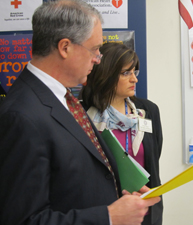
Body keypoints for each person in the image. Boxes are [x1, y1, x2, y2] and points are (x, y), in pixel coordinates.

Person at [0, 1, 160, 225]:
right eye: (94, 49)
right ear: (65, 47)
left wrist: (118, 186)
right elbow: (23, 219)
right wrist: (109, 217)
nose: (98, 58)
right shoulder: (21, 116)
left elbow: (67, 177)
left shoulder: (64, 99)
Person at [80, 42, 163, 225]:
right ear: (106, 74)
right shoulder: (82, 114)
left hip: (143, 211)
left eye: (135, 72)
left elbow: (154, 157)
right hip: (102, 213)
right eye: (126, 73)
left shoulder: (148, 111)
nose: (134, 79)